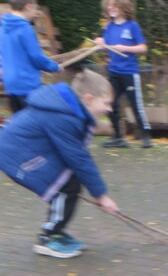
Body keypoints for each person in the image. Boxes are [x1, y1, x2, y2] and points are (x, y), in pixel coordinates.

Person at [0, 69, 119, 257]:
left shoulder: (68, 109)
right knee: (67, 186)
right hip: (17, 156)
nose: (109, 109)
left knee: (70, 182)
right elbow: (78, 158)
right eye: (106, 103)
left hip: (28, 150)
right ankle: (48, 237)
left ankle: (57, 231)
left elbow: (76, 155)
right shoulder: (64, 117)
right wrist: (101, 196)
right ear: (88, 99)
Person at [93, 0, 152, 148]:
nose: (111, 8)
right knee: (110, 103)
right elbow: (106, 48)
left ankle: (145, 136)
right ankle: (118, 137)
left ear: (122, 6)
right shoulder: (108, 28)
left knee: (135, 104)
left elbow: (143, 48)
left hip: (130, 72)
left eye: (114, 5)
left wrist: (125, 48)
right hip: (114, 72)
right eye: (109, 6)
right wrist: (100, 44)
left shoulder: (132, 26)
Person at [0, 0, 59, 113]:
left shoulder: (3, 27)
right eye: (35, 9)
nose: (35, 13)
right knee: (34, 124)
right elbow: (36, 57)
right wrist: (54, 67)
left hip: (11, 85)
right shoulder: (25, 28)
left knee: (20, 124)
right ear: (28, 6)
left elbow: (3, 54)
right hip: (27, 85)